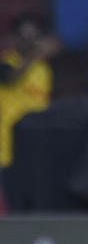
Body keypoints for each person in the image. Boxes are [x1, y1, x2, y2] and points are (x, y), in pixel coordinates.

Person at [0, 13, 57, 208]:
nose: (31, 42)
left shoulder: (42, 69)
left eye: (34, 37)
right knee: (11, 201)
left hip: (37, 143)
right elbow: (10, 79)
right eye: (25, 37)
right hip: (8, 147)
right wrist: (36, 55)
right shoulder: (7, 62)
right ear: (14, 39)